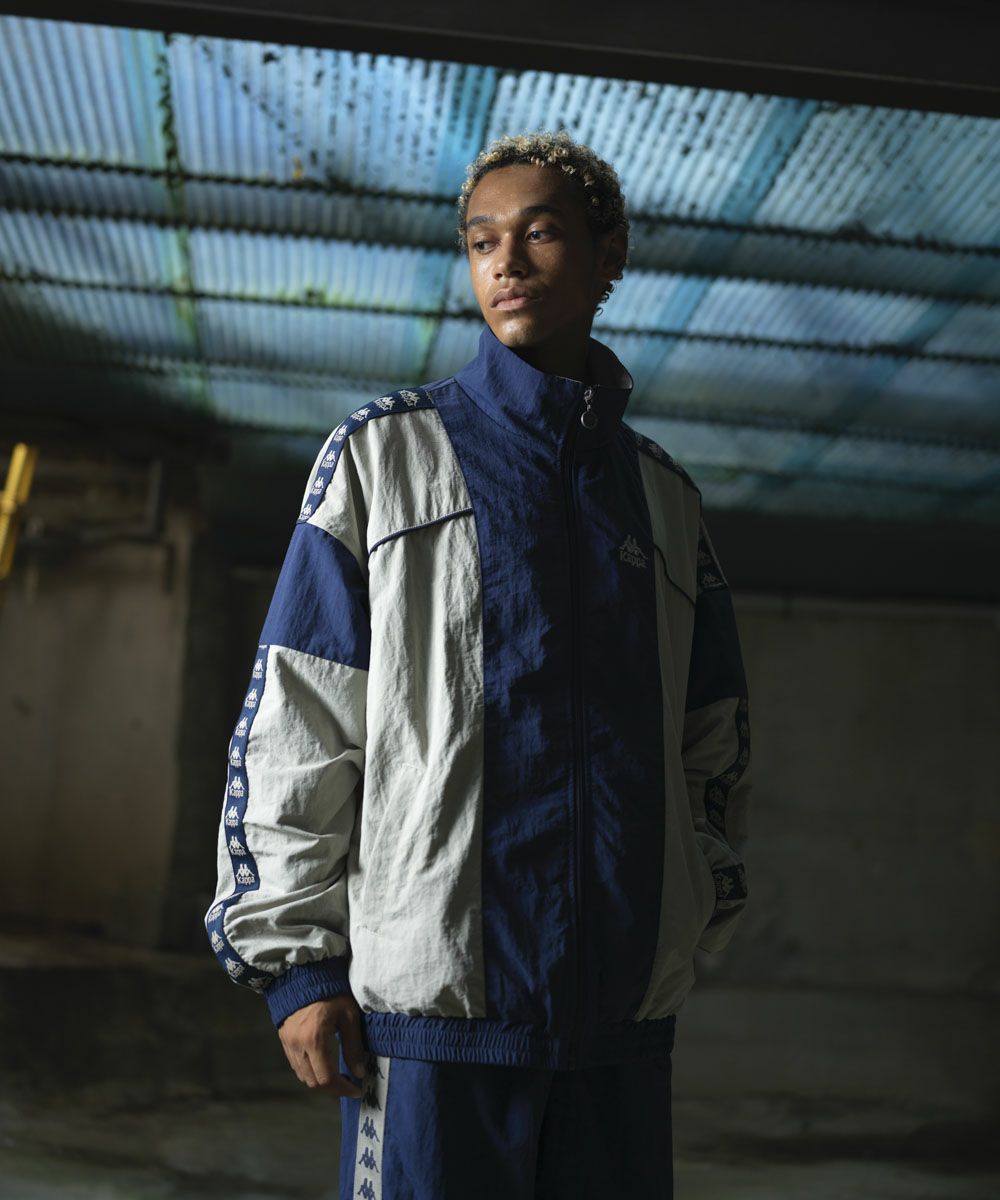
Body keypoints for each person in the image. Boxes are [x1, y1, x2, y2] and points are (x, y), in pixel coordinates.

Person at [205, 128, 752, 1199]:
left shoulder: (663, 500)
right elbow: (300, 719)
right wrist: (299, 963)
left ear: (608, 255)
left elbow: (713, 740)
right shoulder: (384, 455)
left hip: (617, 1031)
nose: (506, 263)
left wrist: (688, 906)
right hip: (433, 1023)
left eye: (540, 234)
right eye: (482, 240)